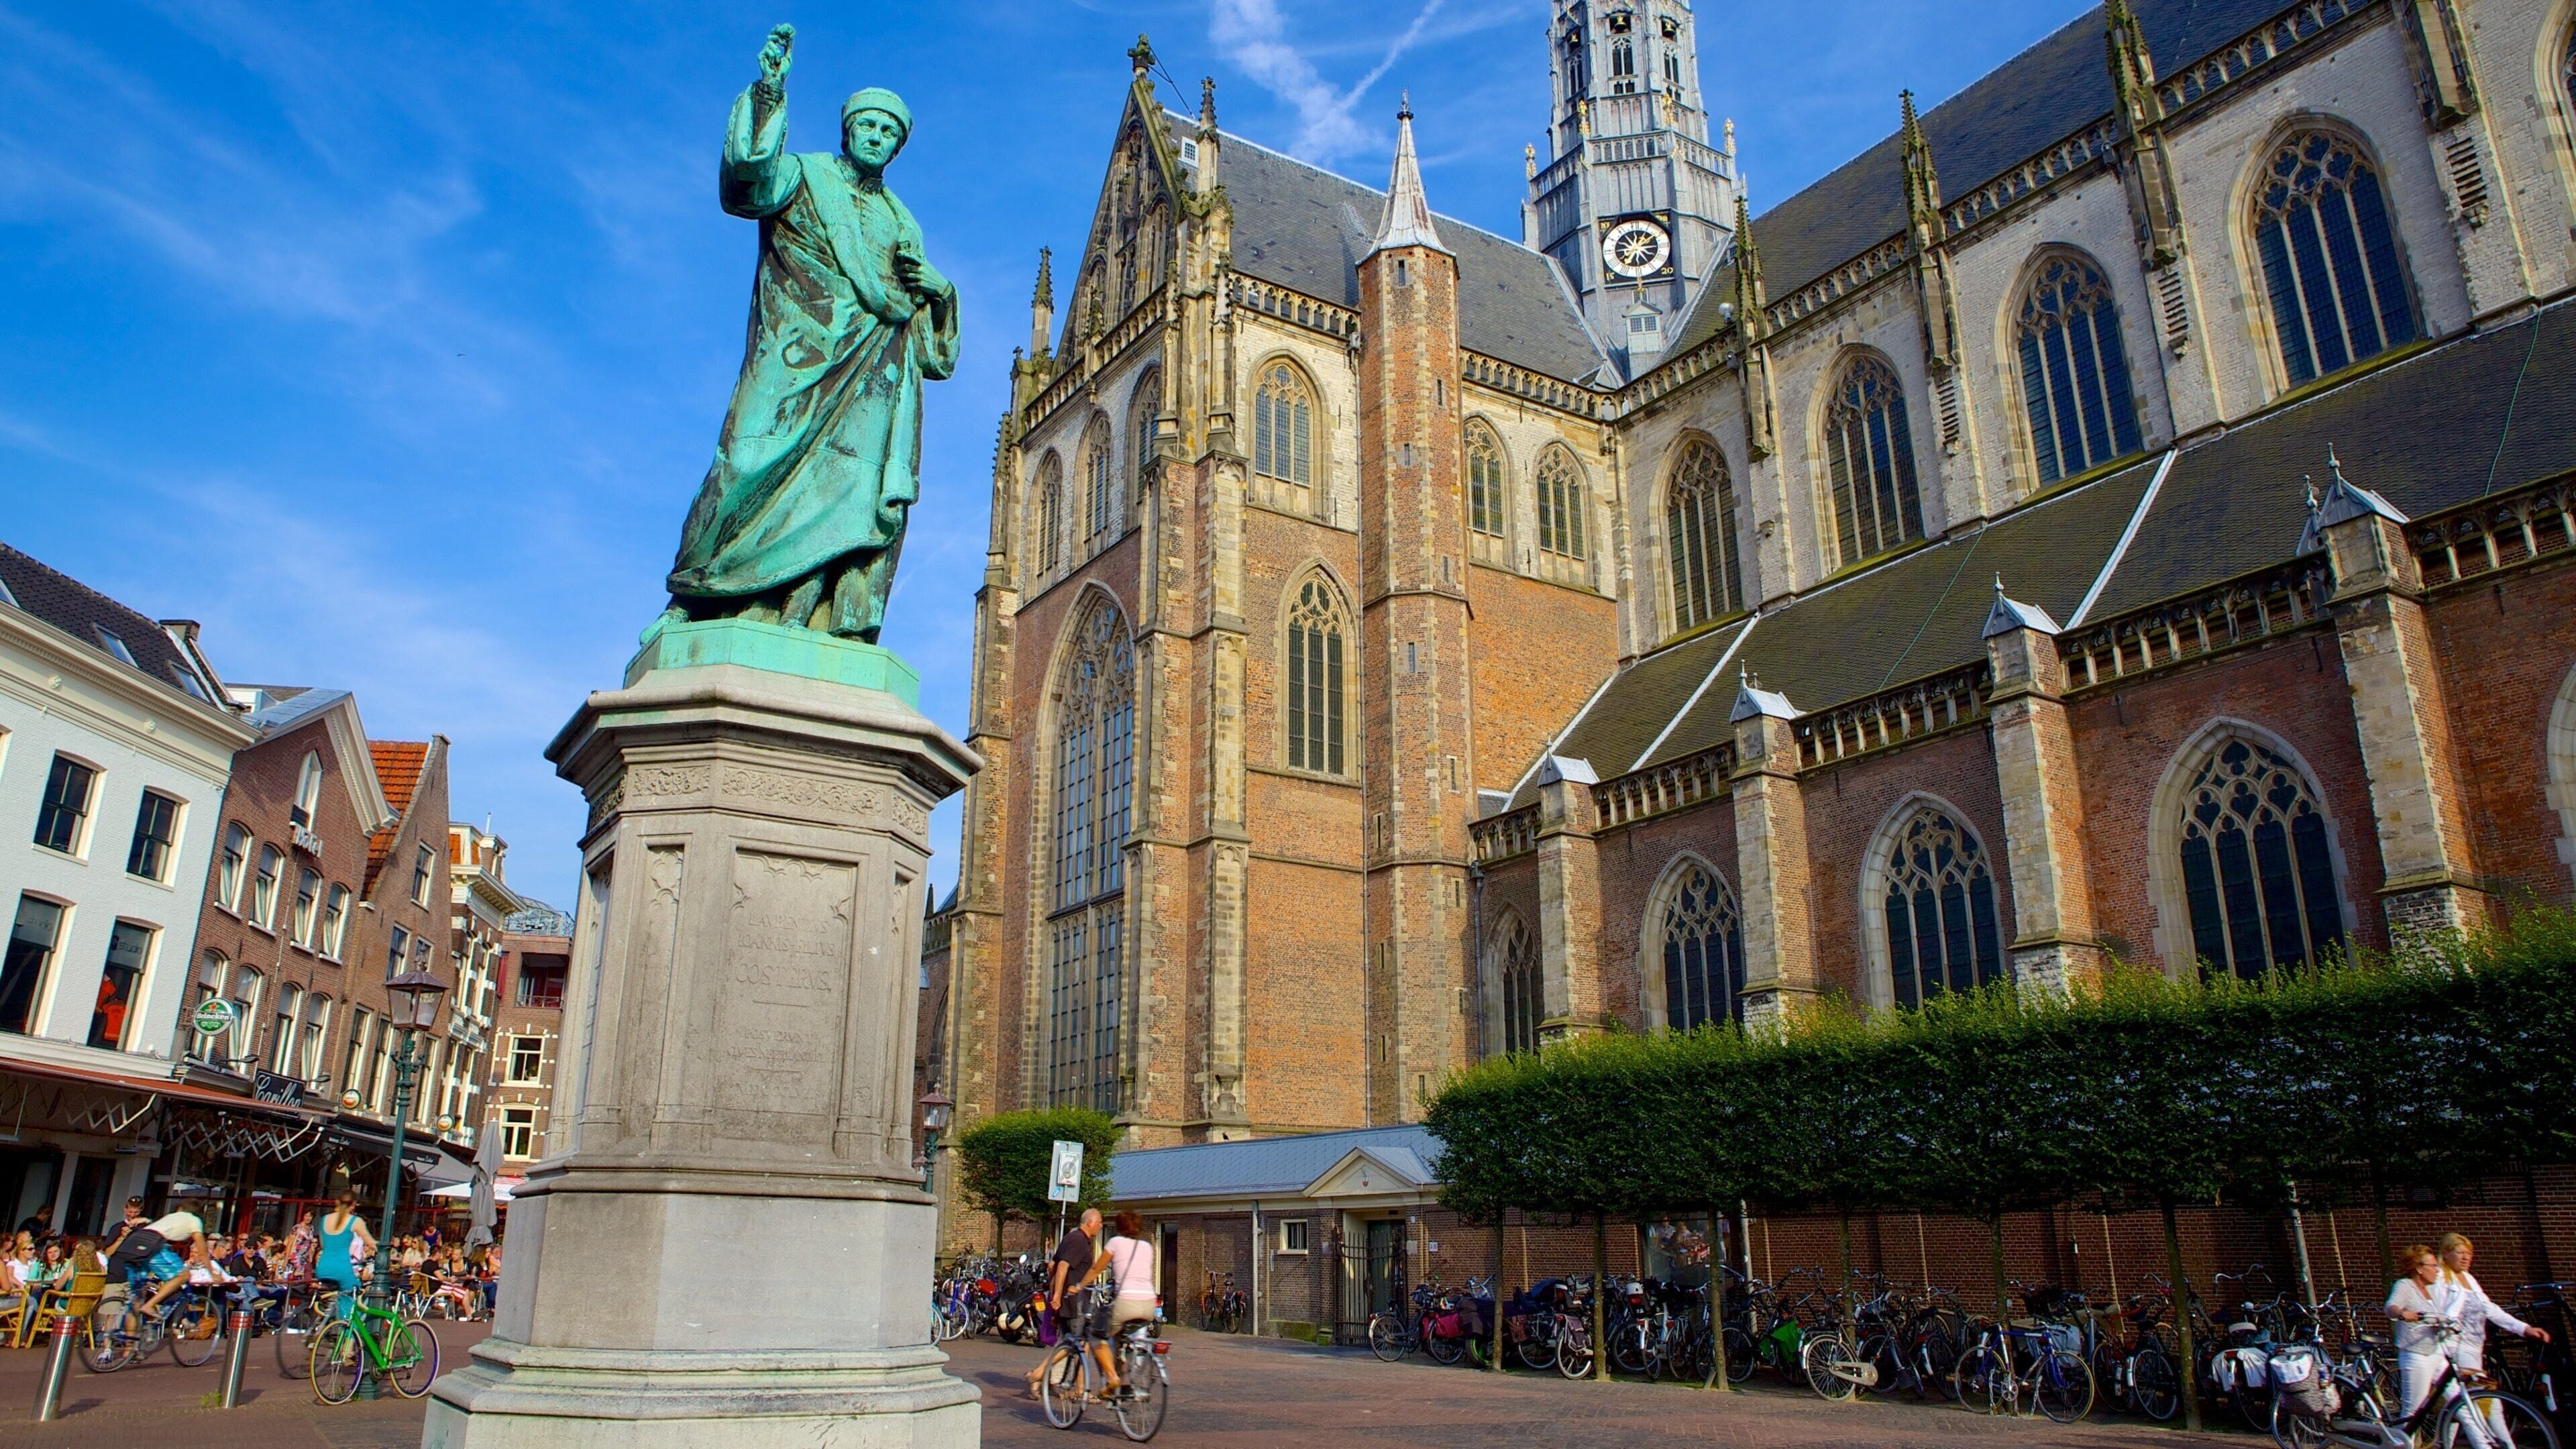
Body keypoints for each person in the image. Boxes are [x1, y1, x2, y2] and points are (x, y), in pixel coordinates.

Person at [1022, 1209, 1105, 1398]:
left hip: (1072, 1301)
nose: (1101, 1226)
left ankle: (1073, 1387)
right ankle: (1037, 1376)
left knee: (1077, 1344)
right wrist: (1058, 1296)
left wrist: (1054, 1292)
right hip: (1074, 1302)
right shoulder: (1078, 1241)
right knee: (1075, 1344)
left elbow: (1053, 1264)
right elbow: (1061, 1266)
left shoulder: (1071, 1237)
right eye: (1099, 1222)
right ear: (1090, 1223)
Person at [1093, 1210, 1159, 1398]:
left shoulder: (1114, 1242)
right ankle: (1126, 1382)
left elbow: (1097, 1268)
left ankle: (1112, 1379)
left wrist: (1078, 1285)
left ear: (1119, 1227)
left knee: (1098, 1337)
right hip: (1148, 1305)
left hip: (1126, 1302)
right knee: (1123, 1339)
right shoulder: (1147, 1246)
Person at [106, 1210, 204, 1320]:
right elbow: (107, 1252)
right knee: (182, 1276)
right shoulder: (118, 1228)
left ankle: (132, 1335)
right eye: (130, 1212)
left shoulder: (148, 1224)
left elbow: (160, 1225)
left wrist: (147, 1221)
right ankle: (150, 1307)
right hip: (129, 1264)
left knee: (136, 1305)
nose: (133, 1215)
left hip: (136, 1259)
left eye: (136, 1212)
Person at [315, 1191, 374, 1322]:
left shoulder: (324, 1219)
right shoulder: (355, 1221)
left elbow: (323, 1245)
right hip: (342, 1269)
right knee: (355, 1292)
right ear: (353, 1205)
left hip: (323, 1267)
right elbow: (370, 1243)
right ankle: (349, 1337)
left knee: (343, 1296)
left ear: (337, 1202)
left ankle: (331, 1323)